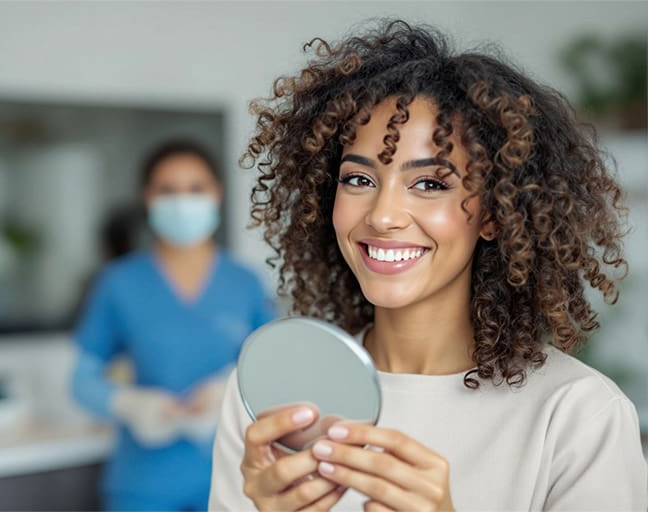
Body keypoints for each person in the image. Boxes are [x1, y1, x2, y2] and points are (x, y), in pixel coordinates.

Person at [209, 20, 648, 511]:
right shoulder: (274, 400)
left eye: (431, 184)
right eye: (358, 178)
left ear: (494, 215)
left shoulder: (578, 415)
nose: (383, 215)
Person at [72, 140, 275, 511]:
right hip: (142, 484)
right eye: (168, 190)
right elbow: (82, 381)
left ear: (217, 193)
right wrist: (129, 404)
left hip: (232, 477)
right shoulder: (119, 283)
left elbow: (275, 366)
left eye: (195, 189)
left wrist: (226, 388)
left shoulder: (245, 283)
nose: (183, 201)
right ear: (148, 198)